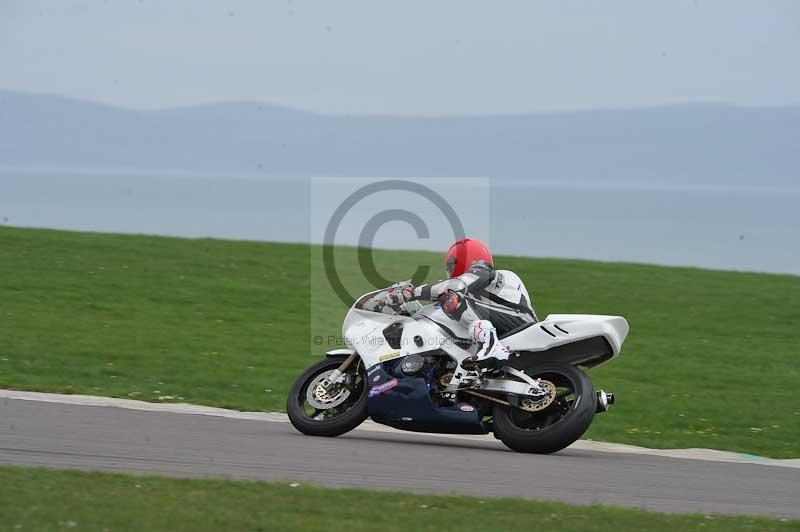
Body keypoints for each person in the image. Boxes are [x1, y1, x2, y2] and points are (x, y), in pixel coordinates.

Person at [380, 238, 537, 370]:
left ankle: (490, 346)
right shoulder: (475, 286)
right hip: (510, 325)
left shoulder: (484, 272)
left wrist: (411, 293)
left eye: (451, 265)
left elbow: (455, 287)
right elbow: (442, 291)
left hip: (519, 323)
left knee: (450, 299)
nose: (450, 270)